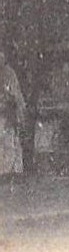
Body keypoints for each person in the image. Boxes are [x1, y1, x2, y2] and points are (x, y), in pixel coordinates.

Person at [0, 45, 25, 180]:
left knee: (9, 142)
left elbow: (15, 95)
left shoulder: (9, 73)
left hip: (8, 113)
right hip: (3, 113)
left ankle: (11, 171)